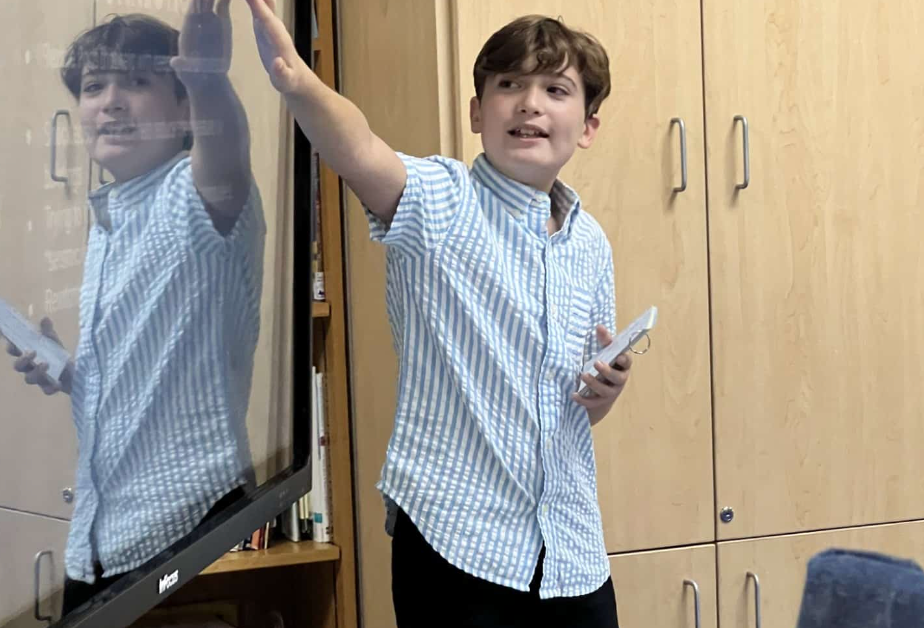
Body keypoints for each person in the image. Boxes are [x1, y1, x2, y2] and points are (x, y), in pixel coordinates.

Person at [247, 2, 630, 626]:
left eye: (555, 89)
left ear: (586, 126)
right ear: (478, 112)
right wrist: (298, 83)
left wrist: (606, 388)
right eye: (509, 85)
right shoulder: (442, 202)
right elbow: (361, 148)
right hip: (458, 544)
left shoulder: (591, 244)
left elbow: (583, 402)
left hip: (570, 549)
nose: (530, 103)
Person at [1, 0, 265, 615]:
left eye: (138, 82)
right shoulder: (111, 214)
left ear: (182, 112)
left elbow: (225, 151)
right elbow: (146, 381)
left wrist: (206, 78)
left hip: (181, 530)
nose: (111, 101)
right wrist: (64, 370)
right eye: (95, 87)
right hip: (99, 538)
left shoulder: (197, 194)